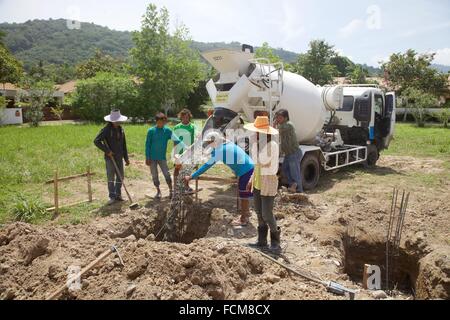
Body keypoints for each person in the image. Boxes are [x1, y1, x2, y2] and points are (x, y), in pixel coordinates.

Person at [184, 132, 254, 227]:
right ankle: (247, 212)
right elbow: (214, 152)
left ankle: (243, 219)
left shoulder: (220, 151)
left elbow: (207, 165)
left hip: (245, 171)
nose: (209, 144)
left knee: (243, 195)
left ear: (215, 141)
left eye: (210, 142)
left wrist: (192, 176)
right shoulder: (227, 143)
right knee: (244, 193)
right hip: (249, 167)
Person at [245, 116, 282, 253]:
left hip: (268, 183)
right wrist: (250, 180)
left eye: (257, 132)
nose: (255, 134)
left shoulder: (272, 146)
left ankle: (276, 242)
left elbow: (267, 166)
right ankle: (261, 241)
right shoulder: (258, 145)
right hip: (257, 183)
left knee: (267, 213)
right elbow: (256, 166)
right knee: (259, 213)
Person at [94, 110, 130, 205]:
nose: (118, 122)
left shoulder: (121, 129)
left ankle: (118, 194)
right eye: (116, 121)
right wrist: (107, 151)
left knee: (120, 176)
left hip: (119, 157)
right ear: (111, 121)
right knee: (111, 177)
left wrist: (126, 158)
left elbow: (124, 145)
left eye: (119, 121)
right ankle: (112, 196)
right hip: (110, 158)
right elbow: (96, 141)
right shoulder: (106, 130)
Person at [146, 112, 184, 199]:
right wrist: (147, 157)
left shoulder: (167, 131)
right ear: (156, 121)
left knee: (166, 174)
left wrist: (183, 147)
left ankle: (171, 191)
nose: (162, 123)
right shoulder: (151, 131)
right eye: (161, 122)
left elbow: (177, 140)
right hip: (152, 158)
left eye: (164, 122)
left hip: (162, 158)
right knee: (154, 175)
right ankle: (158, 191)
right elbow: (147, 144)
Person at [274, 109, 304, 193]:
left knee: (295, 174)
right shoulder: (283, 125)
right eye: (277, 117)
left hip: (294, 153)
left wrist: (274, 124)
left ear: (286, 118)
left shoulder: (288, 125)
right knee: (285, 169)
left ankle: (299, 192)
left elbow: (277, 130)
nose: (277, 119)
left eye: (279, 118)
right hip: (288, 154)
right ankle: (293, 186)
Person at [173, 108, 197, 184]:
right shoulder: (177, 127)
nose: (185, 119)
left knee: (188, 170)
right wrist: (175, 153)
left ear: (189, 117)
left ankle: (186, 186)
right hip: (179, 151)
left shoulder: (193, 127)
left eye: (187, 117)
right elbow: (175, 141)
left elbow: (196, 139)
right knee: (177, 168)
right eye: (183, 117)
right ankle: (175, 185)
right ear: (181, 117)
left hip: (190, 152)